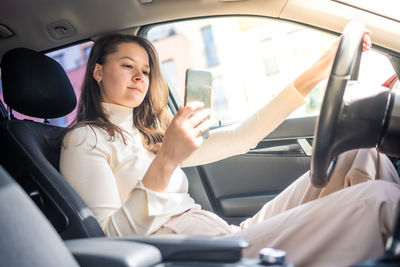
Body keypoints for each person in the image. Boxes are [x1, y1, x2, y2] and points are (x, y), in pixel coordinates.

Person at [60, 32, 400, 267]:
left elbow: (242, 136)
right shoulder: (84, 140)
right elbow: (109, 239)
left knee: (360, 152)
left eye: (146, 70)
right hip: (205, 254)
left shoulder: (146, 133)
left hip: (231, 234)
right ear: (98, 71)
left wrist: (318, 70)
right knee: (381, 200)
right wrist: (167, 160)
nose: (140, 77)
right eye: (127, 66)